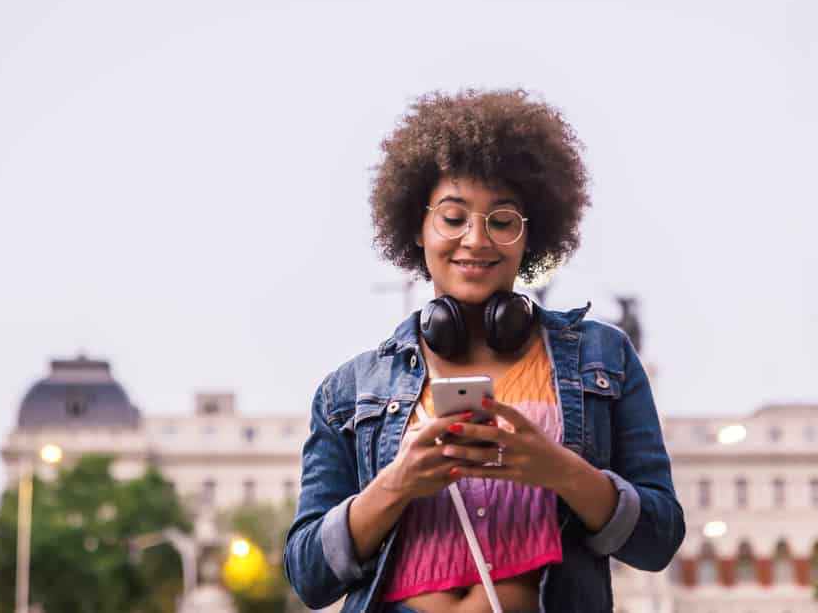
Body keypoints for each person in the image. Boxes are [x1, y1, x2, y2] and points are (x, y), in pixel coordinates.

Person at [284, 89, 685, 613]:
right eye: (453, 218)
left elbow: (658, 539)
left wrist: (559, 469)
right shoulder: (350, 390)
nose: (475, 240)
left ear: (530, 235)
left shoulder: (603, 357)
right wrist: (398, 483)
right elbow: (309, 577)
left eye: (501, 221)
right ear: (417, 227)